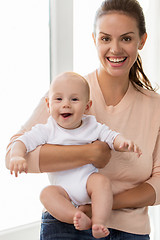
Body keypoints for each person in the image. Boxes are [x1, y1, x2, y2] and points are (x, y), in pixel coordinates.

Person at [5, 0, 160, 239]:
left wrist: (100, 207)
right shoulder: (67, 94)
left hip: (130, 231)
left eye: (126, 39)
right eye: (106, 38)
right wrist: (88, 153)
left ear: (142, 40)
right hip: (66, 225)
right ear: (94, 39)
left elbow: (158, 184)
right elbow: (14, 154)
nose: (115, 49)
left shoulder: (155, 106)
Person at [9, 71, 141, 239]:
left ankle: (98, 222)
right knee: (46, 194)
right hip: (63, 191)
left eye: (74, 99)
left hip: (88, 183)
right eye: (59, 99)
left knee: (101, 182)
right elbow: (21, 142)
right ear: (48, 105)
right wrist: (17, 156)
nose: (66, 105)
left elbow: (110, 136)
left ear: (87, 106)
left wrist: (123, 143)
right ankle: (75, 216)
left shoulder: (91, 125)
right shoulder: (47, 130)